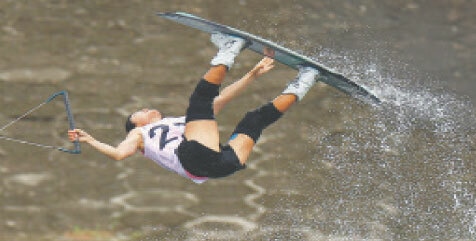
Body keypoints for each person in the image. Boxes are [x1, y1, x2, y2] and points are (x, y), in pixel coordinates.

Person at [68, 32, 320, 183]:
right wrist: (89, 139)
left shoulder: (182, 125)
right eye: (140, 113)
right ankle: (231, 47)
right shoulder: (139, 135)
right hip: (194, 157)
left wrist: (252, 75)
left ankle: (306, 79)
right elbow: (118, 154)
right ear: (139, 124)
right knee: (200, 100)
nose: (146, 109)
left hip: (221, 167)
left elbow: (220, 101)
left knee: (254, 120)